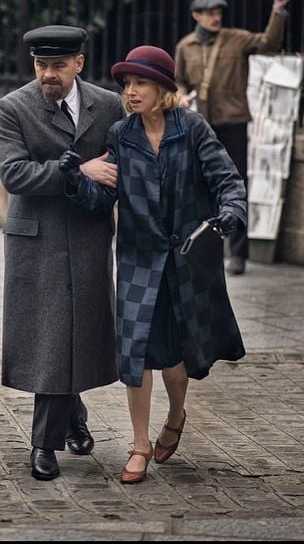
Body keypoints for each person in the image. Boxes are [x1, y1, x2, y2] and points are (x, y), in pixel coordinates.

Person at [60, 45, 247, 484]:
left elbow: (228, 181)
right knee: (136, 355)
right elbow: (103, 197)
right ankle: (139, 444)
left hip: (186, 261)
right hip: (138, 260)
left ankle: (177, 415)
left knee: (176, 359)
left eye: (140, 82)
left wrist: (231, 212)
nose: (130, 91)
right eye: (126, 84)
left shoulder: (194, 129)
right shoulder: (121, 135)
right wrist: (76, 178)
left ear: (162, 88)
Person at [0, 25, 125, 480]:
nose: (47, 74)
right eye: (40, 65)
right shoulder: (12, 108)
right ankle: (43, 446)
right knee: (50, 338)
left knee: (79, 332)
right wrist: (77, 172)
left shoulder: (108, 105)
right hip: (38, 240)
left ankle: (74, 416)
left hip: (88, 238)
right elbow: (14, 174)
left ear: (78, 64)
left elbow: (122, 164)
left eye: (57, 66)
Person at [172, 0, 289, 275]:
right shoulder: (185, 46)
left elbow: (269, 42)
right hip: (202, 124)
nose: (216, 18)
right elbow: (178, 80)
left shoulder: (236, 39)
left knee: (235, 185)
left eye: (219, 13)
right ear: (196, 16)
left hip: (234, 122)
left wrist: (278, 10)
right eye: (210, 14)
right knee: (200, 186)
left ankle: (238, 253)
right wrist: (182, 95)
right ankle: (205, 246)